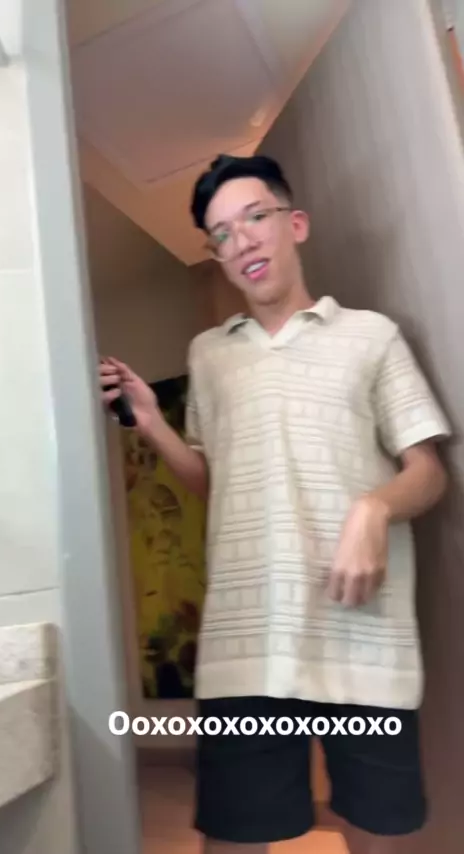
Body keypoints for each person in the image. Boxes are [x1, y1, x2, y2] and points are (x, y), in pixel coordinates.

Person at [100, 154, 451, 854]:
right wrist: (153, 422)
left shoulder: (371, 335)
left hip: (363, 639)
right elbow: (218, 484)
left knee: (377, 832)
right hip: (246, 644)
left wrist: (374, 509)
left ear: (295, 224)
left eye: (254, 217)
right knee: (234, 835)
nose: (241, 241)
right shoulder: (209, 355)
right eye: (221, 234)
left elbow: (428, 472)